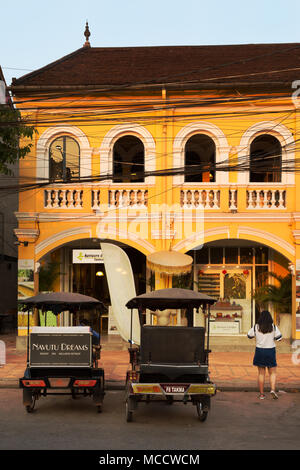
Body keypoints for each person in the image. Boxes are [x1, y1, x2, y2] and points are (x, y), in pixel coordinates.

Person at [247, 310, 282, 400]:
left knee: (261, 373)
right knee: (272, 373)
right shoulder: (273, 327)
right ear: (270, 318)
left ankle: (262, 394)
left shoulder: (256, 327)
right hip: (270, 350)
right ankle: (273, 390)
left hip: (260, 351)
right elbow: (279, 338)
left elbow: (249, 335)